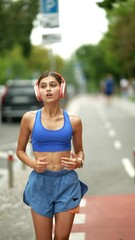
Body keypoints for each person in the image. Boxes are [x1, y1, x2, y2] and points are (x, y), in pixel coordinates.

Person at [16, 71, 88, 240]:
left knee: (62, 238)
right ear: (38, 91)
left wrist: (78, 161)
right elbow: (19, 150)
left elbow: (80, 150)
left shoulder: (74, 120)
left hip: (67, 183)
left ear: (61, 90)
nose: (48, 89)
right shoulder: (29, 118)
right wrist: (33, 164)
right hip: (40, 183)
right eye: (43, 86)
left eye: (52, 85)